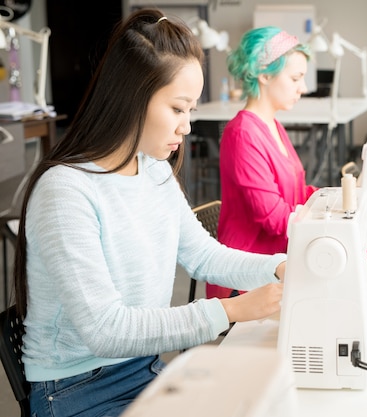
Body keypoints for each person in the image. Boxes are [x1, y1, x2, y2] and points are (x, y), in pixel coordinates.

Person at [11, 9, 286, 417]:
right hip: (76, 390)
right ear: (133, 96)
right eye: (178, 109)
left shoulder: (153, 169)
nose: (187, 127)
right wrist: (228, 311)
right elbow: (105, 330)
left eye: (190, 110)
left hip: (145, 366)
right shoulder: (66, 191)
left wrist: (281, 267)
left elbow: (204, 257)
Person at [206, 26, 318, 299]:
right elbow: (274, 219)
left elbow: (296, 193)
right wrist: (322, 218)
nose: (303, 88)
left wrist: (328, 199)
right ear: (265, 74)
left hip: (276, 266)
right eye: (295, 78)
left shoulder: (273, 126)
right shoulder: (243, 133)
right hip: (247, 281)